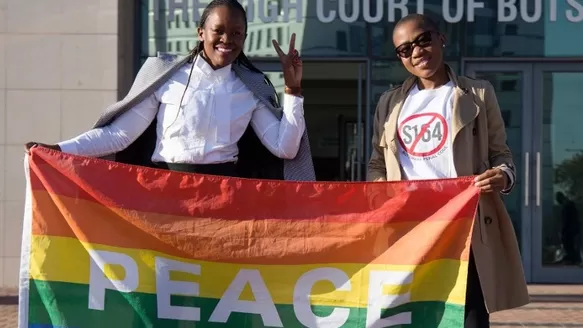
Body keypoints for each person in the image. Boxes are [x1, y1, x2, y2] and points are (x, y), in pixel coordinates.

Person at [24, 0, 315, 181]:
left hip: (225, 193)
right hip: (164, 190)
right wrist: (59, 150)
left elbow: (286, 148)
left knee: (213, 277)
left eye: (237, 33)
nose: (228, 39)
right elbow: (118, 135)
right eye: (219, 30)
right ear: (201, 33)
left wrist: (293, 88)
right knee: (162, 279)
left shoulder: (250, 87)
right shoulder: (165, 75)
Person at [367, 13, 529, 327]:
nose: (416, 52)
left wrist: (504, 176)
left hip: (463, 226)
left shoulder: (479, 94)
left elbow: (502, 155)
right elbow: (376, 163)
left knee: (469, 316)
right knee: (412, 316)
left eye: (423, 39)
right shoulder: (388, 104)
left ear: (441, 38)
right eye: (405, 49)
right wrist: (382, 192)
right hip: (410, 228)